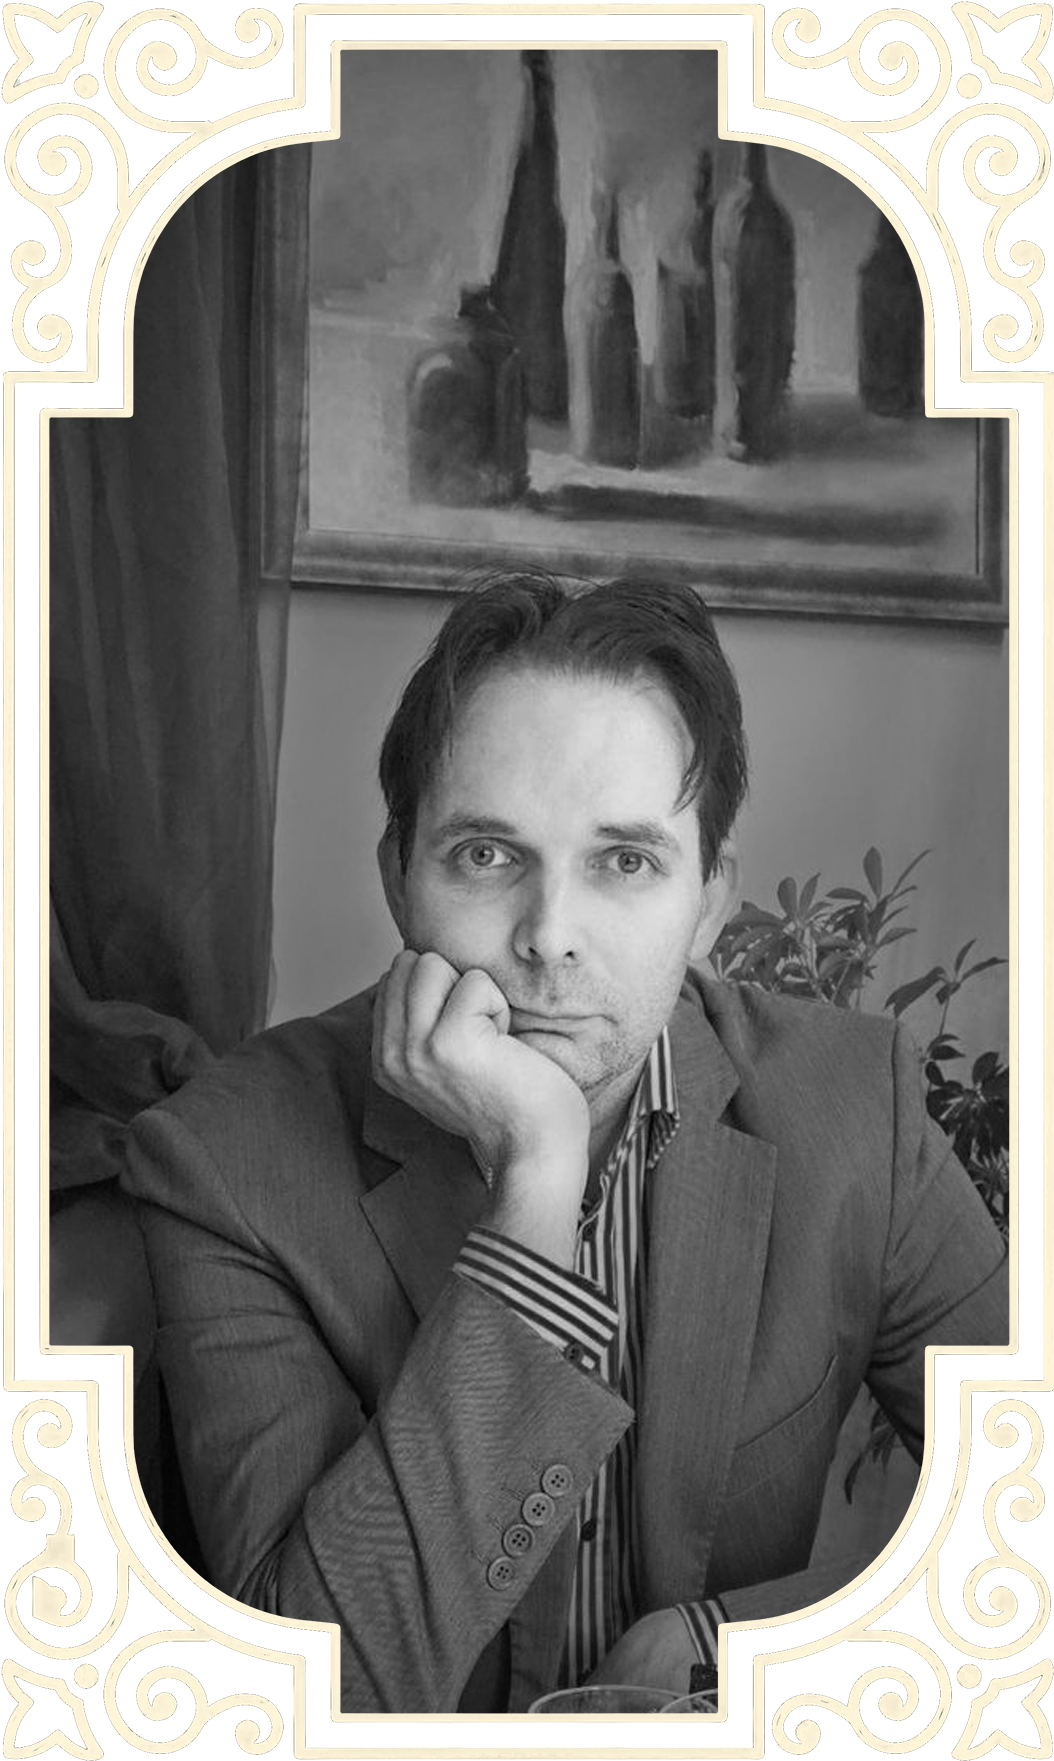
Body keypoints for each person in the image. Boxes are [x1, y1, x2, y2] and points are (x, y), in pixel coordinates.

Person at [121, 572, 1008, 1714]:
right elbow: (310, 1695)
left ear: (708, 901)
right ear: (398, 879)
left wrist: (729, 1643)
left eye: (625, 861)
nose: (549, 937)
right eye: (487, 855)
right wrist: (537, 1182)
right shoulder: (222, 1163)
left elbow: (1028, 1516)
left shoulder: (852, 1105)